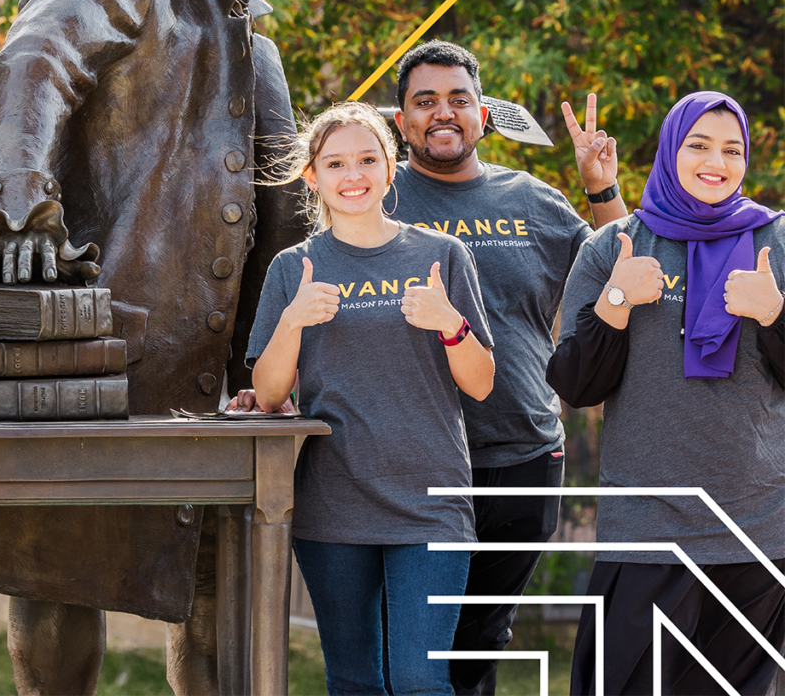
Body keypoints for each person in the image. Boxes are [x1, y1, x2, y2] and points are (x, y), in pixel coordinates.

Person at [0, 0, 306, 696]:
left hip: (220, 376)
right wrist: (24, 203)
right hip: (106, 355)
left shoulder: (237, 20)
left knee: (213, 586)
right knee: (62, 573)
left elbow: (276, 207)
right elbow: (31, 61)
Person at [384, 40, 627, 695]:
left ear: (484, 114)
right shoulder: (372, 202)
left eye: (459, 99)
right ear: (401, 120)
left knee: (477, 649)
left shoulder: (534, 202)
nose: (443, 113)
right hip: (407, 463)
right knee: (408, 652)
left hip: (520, 458)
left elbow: (622, 272)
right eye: (425, 101)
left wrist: (601, 186)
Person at [248, 101, 495, 695]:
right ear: (314, 178)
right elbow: (268, 393)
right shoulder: (293, 268)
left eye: (366, 159)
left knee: (418, 679)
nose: (352, 175)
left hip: (430, 500)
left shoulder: (442, 256)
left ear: (390, 168)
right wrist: (293, 322)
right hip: (333, 501)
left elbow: (482, 382)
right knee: (354, 680)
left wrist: (449, 323)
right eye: (335, 163)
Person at [546, 90, 784, 696]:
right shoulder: (616, 246)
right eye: (699, 144)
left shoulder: (776, 243)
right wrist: (617, 301)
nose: (717, 161)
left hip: (759, 533)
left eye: (733, 149)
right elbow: (575, 383)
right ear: (670, 149)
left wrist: (775, 315)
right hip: (647, 530)